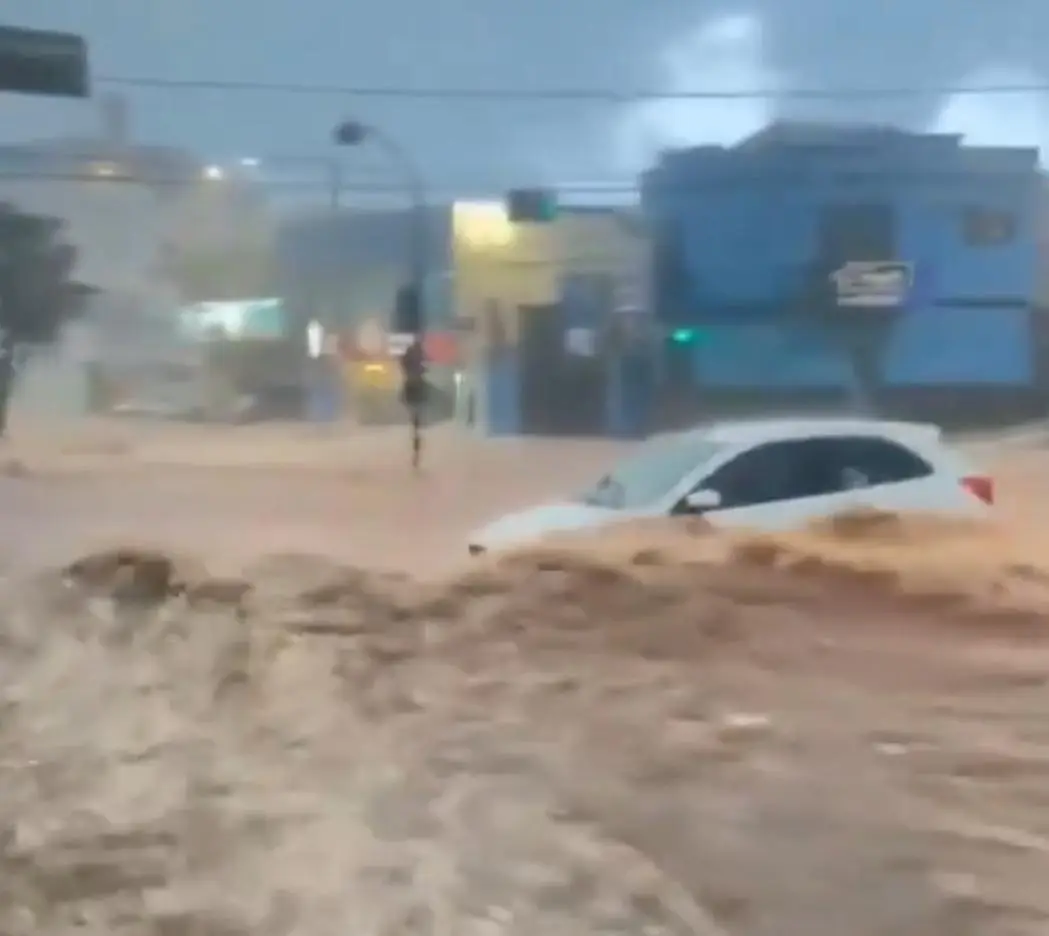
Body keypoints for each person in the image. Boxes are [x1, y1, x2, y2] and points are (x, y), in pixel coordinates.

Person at [399, 335, 427, 469]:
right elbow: (422, 369)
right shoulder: (419, 356)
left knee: (415, 420)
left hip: (411, 389)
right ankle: (416, 450)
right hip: (416, 390)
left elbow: (403, 364)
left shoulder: (409, 356)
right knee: (416, 421)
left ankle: (416, 450)